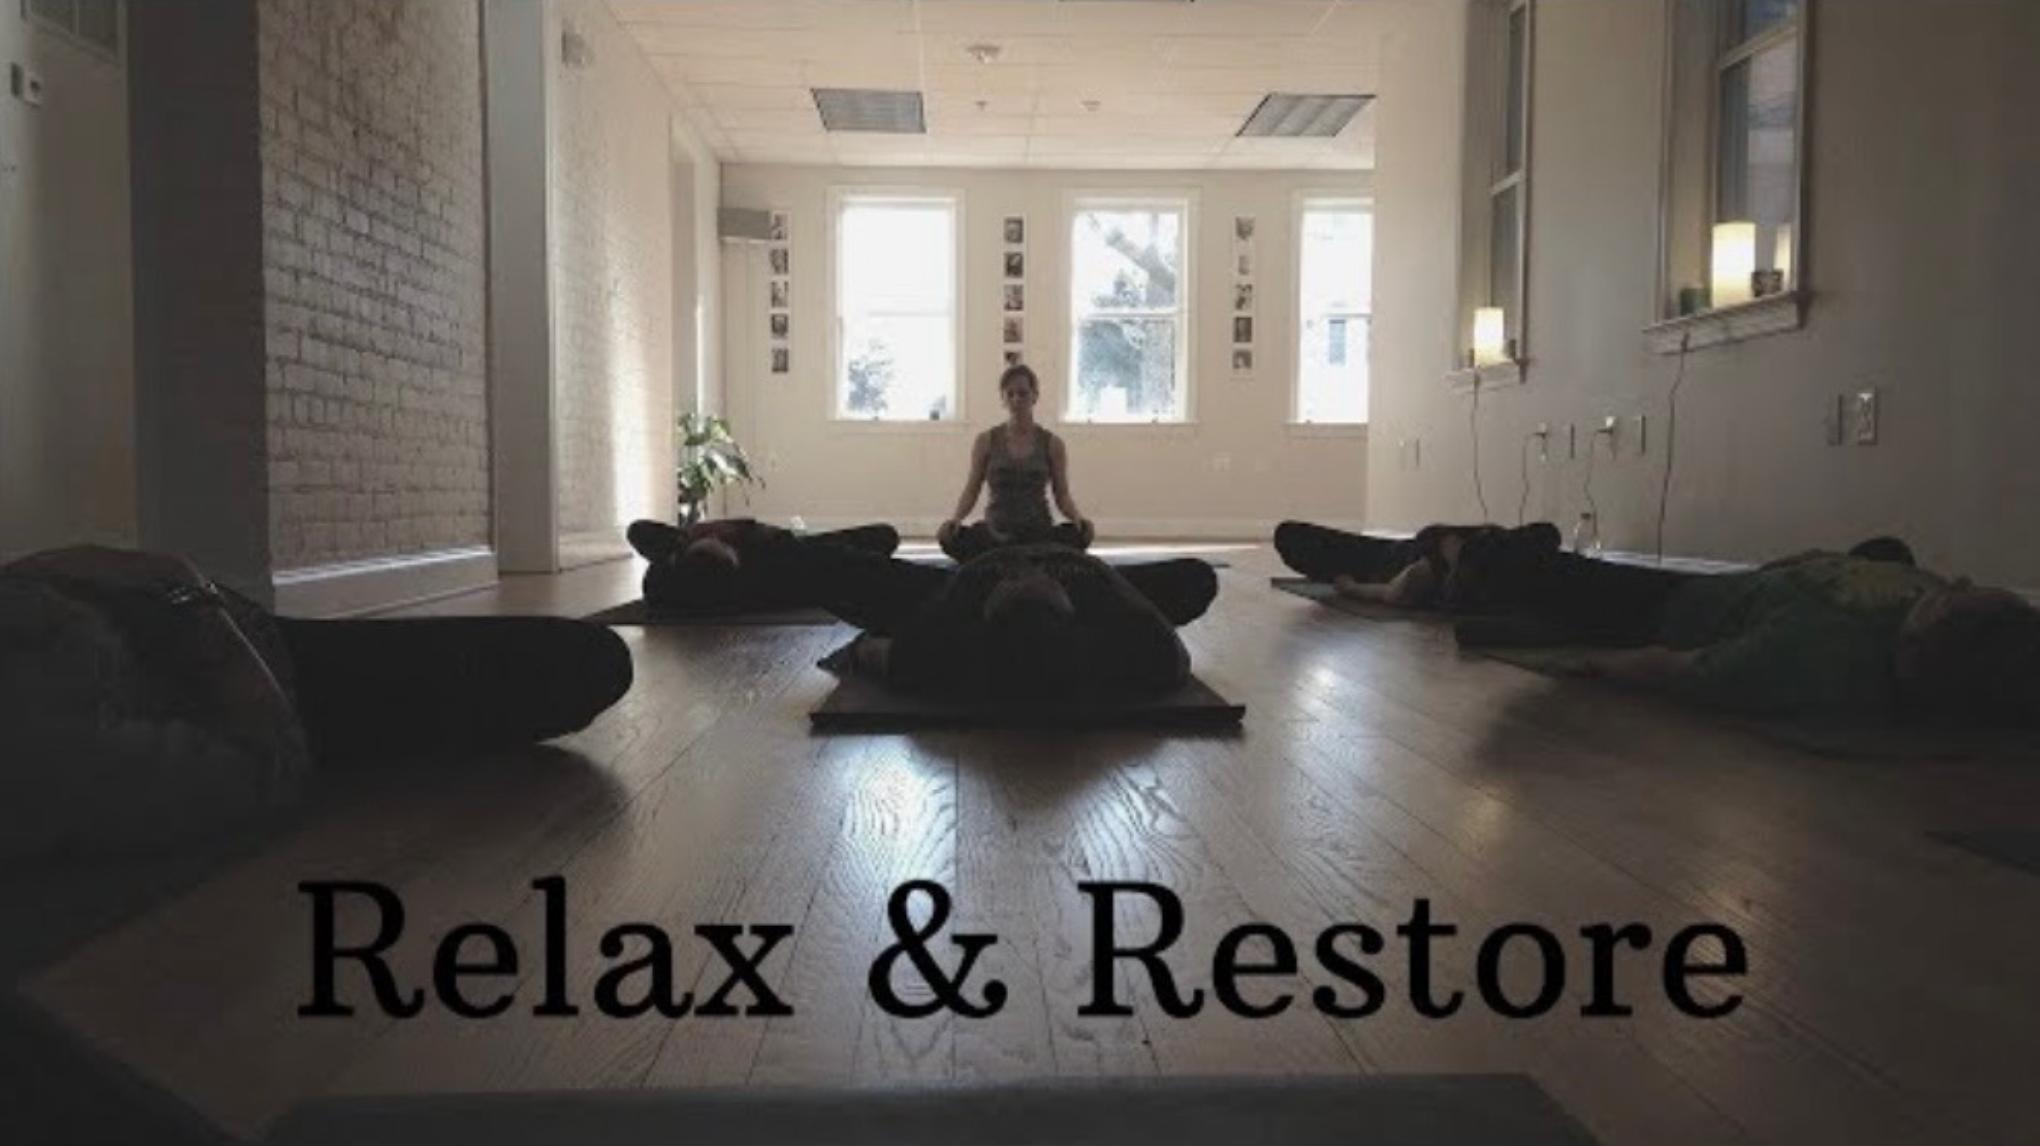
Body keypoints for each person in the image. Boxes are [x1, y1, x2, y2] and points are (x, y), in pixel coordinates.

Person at [1, 546, 633, 858]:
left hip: (258, 639)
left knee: (588, 657)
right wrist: (193, 600)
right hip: (288, 685)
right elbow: (267, 764)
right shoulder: (37, 746)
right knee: (589, 659)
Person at [1456, 545, 2040, 724]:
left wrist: (1590, 663)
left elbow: (1676, 667)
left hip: (1672, 609)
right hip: (1745, 585)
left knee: (1514, 562)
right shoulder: (1920, 598)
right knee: (1888, 546)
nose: (1959, 581)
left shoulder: (1815, 656)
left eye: (1957, 596)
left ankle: (1465, 569)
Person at [813, 543, 1218, 701]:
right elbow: (1174, 656)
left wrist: (977, 573)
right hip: (1074, 568)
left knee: (832, 568)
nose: (1028, 574)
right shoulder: (1119, 631)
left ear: (989, 610)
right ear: (1069, 609)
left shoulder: (941, 643)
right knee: (1196, 578)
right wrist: (1098, 572)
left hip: (963, 575)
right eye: (1035, 583)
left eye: (1017, 584)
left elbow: (871, 652)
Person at [938, 365, 1093, 563]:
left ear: (1035, 396)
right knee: (946, 535)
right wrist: (956, 519)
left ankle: (1012, 560)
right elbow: (972, 489)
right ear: (1002, 399)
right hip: (996, 533)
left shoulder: (1052, 444)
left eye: (1022, 393)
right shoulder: (986, 441)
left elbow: (1062, 495)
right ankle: (1023, 561)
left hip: (1039, 533)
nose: (1016, 400)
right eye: (1010, 394)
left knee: (1084, 533)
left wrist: (1077, 518)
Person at [1273, 520, 1563, 614]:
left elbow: (1394, 593)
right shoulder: (1489, 547)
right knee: (1546, 531)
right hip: (1397, 551)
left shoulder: (1442, 572)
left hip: (1378, 561)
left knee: (1289, 535)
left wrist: (1351, 588)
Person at [625, 517, 899, 615]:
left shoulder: (660, 584)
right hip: (795, 560)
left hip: (784, 562)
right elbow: (771, 535)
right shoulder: (774, 562)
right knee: (882, 536)